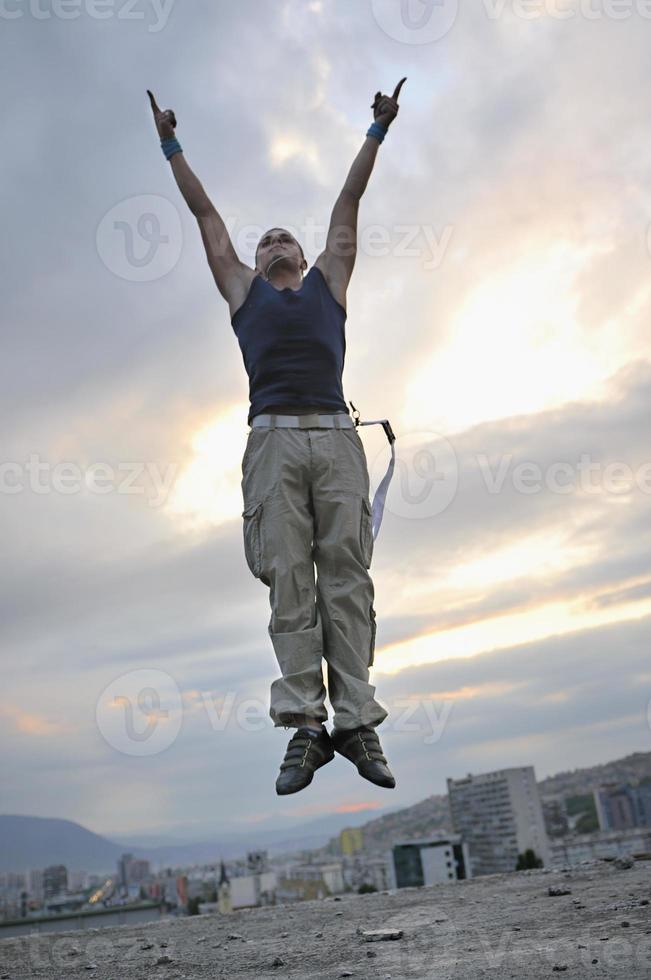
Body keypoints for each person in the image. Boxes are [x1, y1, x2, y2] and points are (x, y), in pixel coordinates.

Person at [147, 79, 406, 795]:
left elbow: (347, 205)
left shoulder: (330, 282)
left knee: (345, 578)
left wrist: (376, 131)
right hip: (271, 443)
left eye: (282, 236)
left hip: (335, 435)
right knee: (290, 581)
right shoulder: (241, 290)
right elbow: (204, 214)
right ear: (253, 264)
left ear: (304, 252)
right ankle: (305, 727)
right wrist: (171, 145)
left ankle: (355, 722)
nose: (272, 242)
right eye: (263, 242)